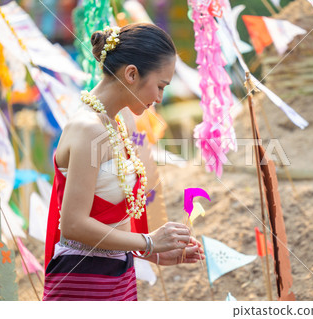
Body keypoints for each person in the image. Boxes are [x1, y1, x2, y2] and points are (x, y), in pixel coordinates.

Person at [43, 23, 204, 301]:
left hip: (119, 275)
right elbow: (74, 225)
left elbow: (113, 218)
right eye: (160, 86)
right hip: (83, 281)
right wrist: (149, 241)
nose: (159, 98)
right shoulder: (88, 128)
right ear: (131, 73)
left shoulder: (122, 119)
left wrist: (150, 251)